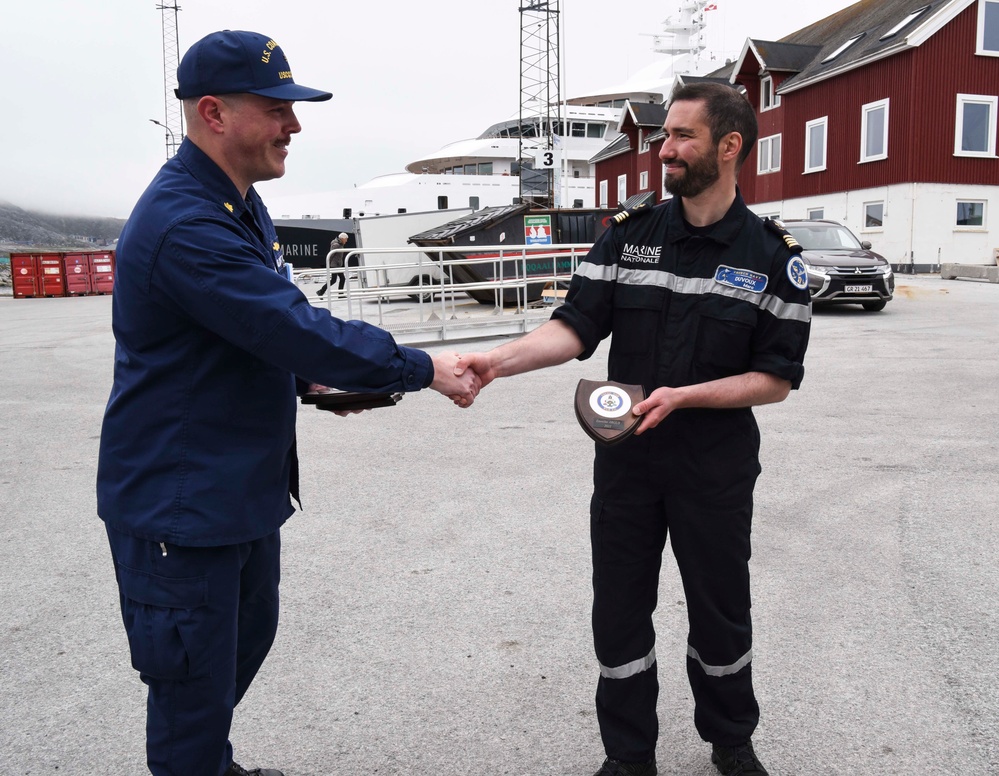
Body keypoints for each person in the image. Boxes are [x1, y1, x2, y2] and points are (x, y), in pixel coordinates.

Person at [96, 30, 478, 776]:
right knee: (190, 680)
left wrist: (321, 383)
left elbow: (254, 333)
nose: (294, 127)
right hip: (183, 502)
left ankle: (210, 762)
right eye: (276, 110)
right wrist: (422, 367)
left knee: (240, 645)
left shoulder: (238, 205)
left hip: (236, 492)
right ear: (213, 113)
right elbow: (291, 326)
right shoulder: (187, 224)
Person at [455, 82, 811, 776]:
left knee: (719, 611)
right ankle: (627, 756)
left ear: (728, 146)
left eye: (680, 136)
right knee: (618, 611)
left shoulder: (772, 257)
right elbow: (573, 326)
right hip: (626, 462)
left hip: (714, 466)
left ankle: (731, 741)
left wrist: (685, 396)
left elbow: (774, 379)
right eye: (662, 137)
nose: (663, 150)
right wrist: (495, 361)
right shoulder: (629, 232)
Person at [316, 232, 349, 298]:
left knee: (342, 278)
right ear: (342, 238)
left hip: (338, 264)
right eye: (346, 239)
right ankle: (321, 291)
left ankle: (340, 294)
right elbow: (331, 255)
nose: (346, 241)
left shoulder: (340, 243)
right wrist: (328, 264)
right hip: (334, 265)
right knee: (334, 280)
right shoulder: (336, 245)